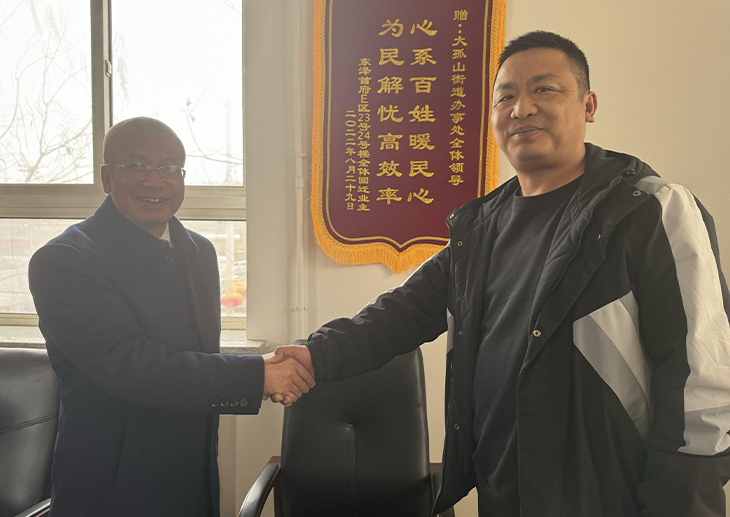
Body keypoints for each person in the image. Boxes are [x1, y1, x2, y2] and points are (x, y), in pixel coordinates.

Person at [270, 31, 730, 516]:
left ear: (588, 105)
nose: (521, 108)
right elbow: (398, 315)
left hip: (607, 499)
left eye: (544, 89)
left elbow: (704, 379)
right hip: (503, 494)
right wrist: (312, 356)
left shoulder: (650, 209)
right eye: (505, 97)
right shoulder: (481, 229)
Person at [28, 117, 314, 517]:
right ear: (107, 177)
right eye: (137, 166)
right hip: (111, 489)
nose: (155, 180)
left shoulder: (199, 251)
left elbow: (196, 357)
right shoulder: (65, 260)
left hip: (193, 479)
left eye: (170, 168)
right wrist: (258, 376)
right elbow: (129, 366)